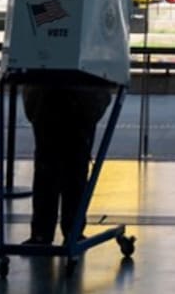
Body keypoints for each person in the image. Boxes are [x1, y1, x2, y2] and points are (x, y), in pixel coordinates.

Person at [22, 82, 113, 246]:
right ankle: (73, 231)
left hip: (47, 99)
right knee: (75, 171)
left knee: (46, 171)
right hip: (81, 101)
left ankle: (42, 233)